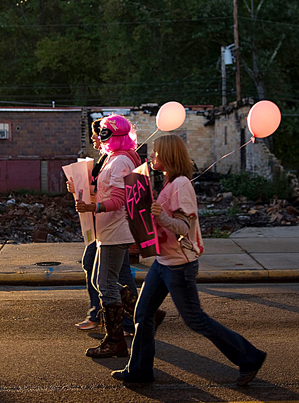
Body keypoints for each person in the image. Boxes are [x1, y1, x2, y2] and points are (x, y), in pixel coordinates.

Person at [111, 134, 267, 386]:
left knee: (195, 319)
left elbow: (184, 227)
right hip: (163, 262)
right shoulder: (169, 182)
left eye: (157, 153)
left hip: (179, 265)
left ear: (169, 155)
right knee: (142, 313)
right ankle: (140, 371)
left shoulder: (182, 184)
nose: (152, 156)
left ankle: (249, 357)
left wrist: (160, 217)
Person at [73, 115, 139, 358]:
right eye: (100, 132)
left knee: (106, 285)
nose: (99, 136)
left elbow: (120, 201)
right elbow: (104, 191)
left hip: (115, 231)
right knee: (103, 282)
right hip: (107, 231)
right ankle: (142, 313)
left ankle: (115, 341)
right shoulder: (114, 158)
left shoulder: (121, 161)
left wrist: (93, 208)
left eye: (104, 132)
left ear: (117, 135)